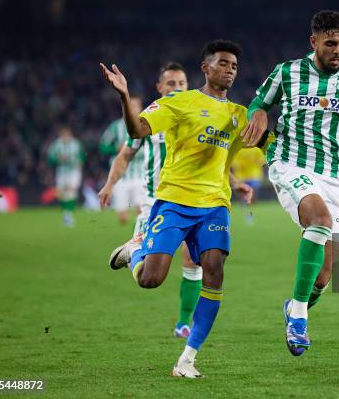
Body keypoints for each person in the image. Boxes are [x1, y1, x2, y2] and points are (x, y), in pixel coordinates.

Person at [100, 39, 266, 378]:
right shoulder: (178, 102)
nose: (229, 70)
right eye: (222, 63)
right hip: (174, 201)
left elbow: (273, 143)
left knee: (214, 270)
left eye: (234, 65)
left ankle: (187, 358)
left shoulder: (240, 115)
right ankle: (135, 253)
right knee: (151, 280)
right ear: (205, 68)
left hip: (215, 206)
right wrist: (123, 95)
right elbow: (138, 130)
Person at [243, 10, 339, 356]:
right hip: (290, 163)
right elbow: (259, 102)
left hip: (336, 176)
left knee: (323, 277)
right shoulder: (287, 72)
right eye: (331, 43)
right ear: (313, 42)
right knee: (318, 220)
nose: (338, 50)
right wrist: (257, 111)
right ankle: (298, 318)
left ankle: (294, 306)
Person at [98, 62, 201, 338]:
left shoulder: (197, 115)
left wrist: (236, 183)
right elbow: (124, 155)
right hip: (155, 201)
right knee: (149, 276)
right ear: (159, 88)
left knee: (194, 260)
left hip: (192, 199)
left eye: (181, 83)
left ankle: (183, 323)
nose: (177, 87)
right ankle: (134, 251)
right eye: (171, 83)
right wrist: (109, 184)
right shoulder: (150, 118)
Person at [99, 94, 146, 225]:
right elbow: (103, 146)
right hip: (121, 178)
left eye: (136, 106)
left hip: (140, 176)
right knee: (123, 218)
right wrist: (115, 149)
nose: (134, 109)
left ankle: (138, 238)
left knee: (141, 213)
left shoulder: (146, 124)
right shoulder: (115, 127)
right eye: (131, 106)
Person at [47, 126, 85, 227]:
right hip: (61, 172)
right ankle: (66, 213)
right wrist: (58, 160)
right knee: (61, 193)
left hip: (74, 172)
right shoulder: (56, 144)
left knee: (71, 191)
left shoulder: (76, 144)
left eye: (67, 135)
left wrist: (80, 162)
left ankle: (69, 214)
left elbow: (83, 156)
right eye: (63, 135)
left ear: (70, 135)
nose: (65, 137)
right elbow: (50, 158)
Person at [230, 147, 266, 223]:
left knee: (253, 194)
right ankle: (246, 213)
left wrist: (260, 162)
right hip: (241, 176)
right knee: (243, 196)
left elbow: (262, 160)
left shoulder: (256, 148)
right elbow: (234, 160)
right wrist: (237, 165)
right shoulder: (239, 148)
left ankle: (251, 212)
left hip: (254, 175)